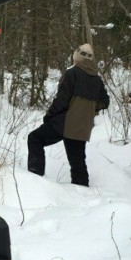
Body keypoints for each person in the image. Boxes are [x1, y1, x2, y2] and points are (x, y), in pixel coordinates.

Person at [27, 43, 110, 187]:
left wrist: (49, 116)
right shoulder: (97, 80)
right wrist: (87, 109)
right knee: (78, 164)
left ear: (77, 57)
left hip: (64, 123)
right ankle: (82, 192)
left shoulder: (72, 74)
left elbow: (61, 101)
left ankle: (34, 179)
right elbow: (105, 101)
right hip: (82, 126)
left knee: (35, 138)